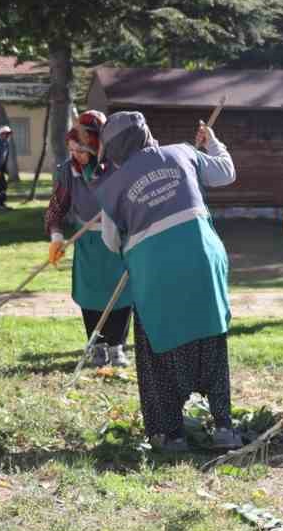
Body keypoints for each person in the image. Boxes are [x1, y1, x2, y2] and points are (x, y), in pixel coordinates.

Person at [95, 111, 243, 451]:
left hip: (155, 271)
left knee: (157, 350)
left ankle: (169, 434)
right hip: (202, 262)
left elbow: (110, 241)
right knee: (210, 340)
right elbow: (226, 172)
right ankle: (223, 427)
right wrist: (213, 142)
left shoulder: (112, 187)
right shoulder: (183, 152)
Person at [47, 113, 132, 367]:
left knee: (121, 294)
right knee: (90, 294)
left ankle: (117, 347)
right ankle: (96, 346)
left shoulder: (117, 169)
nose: (76, 156)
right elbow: (56, 208)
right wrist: (56, 236)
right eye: (72, 150)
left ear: (96, 148)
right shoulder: (66, 172)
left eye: (81, 151)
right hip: (87, 242)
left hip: (117, 240)